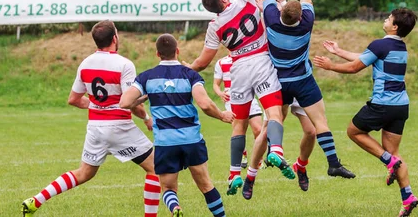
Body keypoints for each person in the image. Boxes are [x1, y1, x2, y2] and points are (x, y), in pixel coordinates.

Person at [187, 0, 293, 197]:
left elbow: (203, 61)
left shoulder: (214, 27)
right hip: (261, 60)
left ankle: (235, 171)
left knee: (239, 123)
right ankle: (277, 150)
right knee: (273, 112)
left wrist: (186, 67)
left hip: (238, 69)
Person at [241, 0, 355, 198]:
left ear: (280, 11)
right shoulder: (307, 21)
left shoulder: (271, 18)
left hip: (279, 82)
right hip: (300, 82)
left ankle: (301, 166)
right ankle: (252, 176)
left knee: (306, 131)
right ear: (301, 15)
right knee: (313, 124)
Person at [21, 20, 158, 217]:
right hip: (118, 126)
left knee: (84, 173)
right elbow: (130, 102)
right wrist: (146, 117)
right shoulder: (124, 64)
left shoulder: (85, 63)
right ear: (114, 38)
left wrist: (97, 105)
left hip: (95, 128)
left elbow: (74, 99)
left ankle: (37, 200)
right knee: (155, 168)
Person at [313, 9, 418, 217]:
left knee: (354, 131)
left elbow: (355, 67)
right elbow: (366, 58)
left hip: (382, 104)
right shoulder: (400, 46)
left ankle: (388, 161)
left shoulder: (380, 44)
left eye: (388, 18)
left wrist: (331, 66)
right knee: (395, 154)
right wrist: (339, 51)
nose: (385, 19)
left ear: (395, 26)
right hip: (400, 106)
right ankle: (408, 197)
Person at [120, 34, 235, 217]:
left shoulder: (147, 78)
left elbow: (125, 102)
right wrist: (222, 115)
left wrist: (144, 97)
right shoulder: (190, 75)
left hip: (165, 142)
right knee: (206, 185)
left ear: (158, 54)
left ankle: (176, 208)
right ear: (177, 51)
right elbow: (205, 104)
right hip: (191, 140)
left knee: (168, 188)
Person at [213, 54, 263, 168]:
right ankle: (243, 155)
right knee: (239, 130)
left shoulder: (248, 58)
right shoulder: (221, 62)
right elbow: (216, 84)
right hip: (232, 100)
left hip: (249, 97)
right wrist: (220, 93)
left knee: (258, 130)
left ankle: (258, 159)